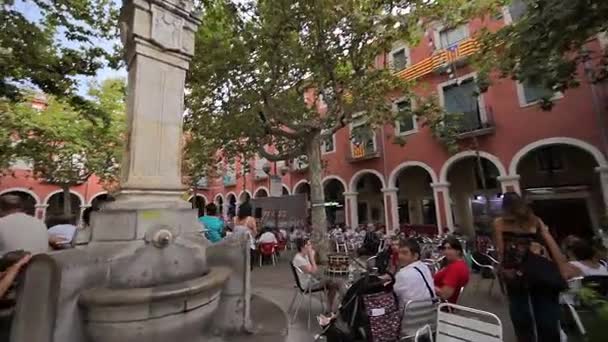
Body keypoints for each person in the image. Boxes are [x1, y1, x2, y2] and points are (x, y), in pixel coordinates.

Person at [494, 192, 576, 342]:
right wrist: (562, 265)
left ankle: (526, 339)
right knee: (545, 312)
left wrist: (501, 269)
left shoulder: (499, 222)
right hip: (539, 269)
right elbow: (551, 243)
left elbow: (501, 250)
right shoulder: (535, 221)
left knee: (520, 311)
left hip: (514, 270)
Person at [292, 238, 341, 313]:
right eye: (308, 244)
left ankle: (330, 308)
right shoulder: (299, 259)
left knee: (333, 284)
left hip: (311, 280)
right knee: (335, 282)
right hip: (308, 285)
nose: (311, 246)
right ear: (303, 247)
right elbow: (314, 272)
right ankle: (338, 305)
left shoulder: (304, 256)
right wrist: (312, 258)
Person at [393, 238, 435, 308]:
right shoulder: (425, 267)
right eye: (399, 253)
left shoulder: (402, 274)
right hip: (431, 312)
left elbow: (395, 293)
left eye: (404, 253)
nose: (400, 256)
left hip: (409, 315)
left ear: (415, 256)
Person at [433, 237, 469, 304]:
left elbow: (445, 295)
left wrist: (427, 285)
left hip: (438, 305)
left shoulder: (455, 268)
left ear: (458, 251)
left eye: (449, 249)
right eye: (444, 249)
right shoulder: (461, 264)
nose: (446, 252)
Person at [233, 202, 257, 269]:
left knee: (238, 266)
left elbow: (233, 231)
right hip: (247, 246)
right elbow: (255, 232)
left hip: (236, 245)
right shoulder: (251, 219)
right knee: (248, 266)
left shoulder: (235, 219)